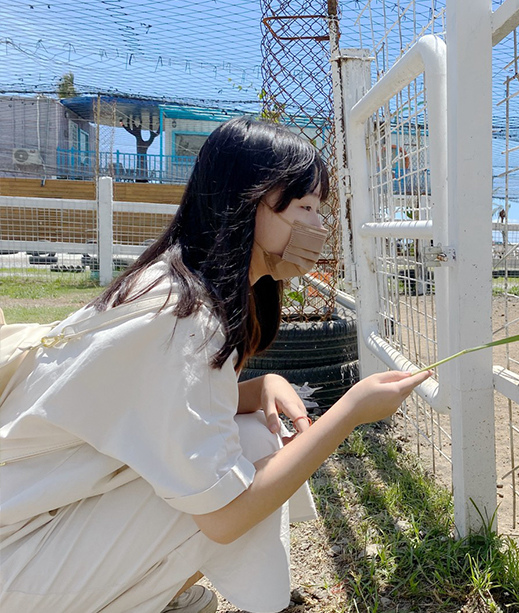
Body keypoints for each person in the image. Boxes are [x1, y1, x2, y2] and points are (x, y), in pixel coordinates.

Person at [0, 116, 432, 613]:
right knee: (237, 475)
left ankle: (144, 587)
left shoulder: (176, 281)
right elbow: (225, 516)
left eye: (321, 209)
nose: (319, 225)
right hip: (16, 558)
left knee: (251, 435)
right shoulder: (188, 320)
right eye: (306, 207)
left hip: (30, 516)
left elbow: (160, 406)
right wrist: (350, 410)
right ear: (247, 203)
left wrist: (259, 385)